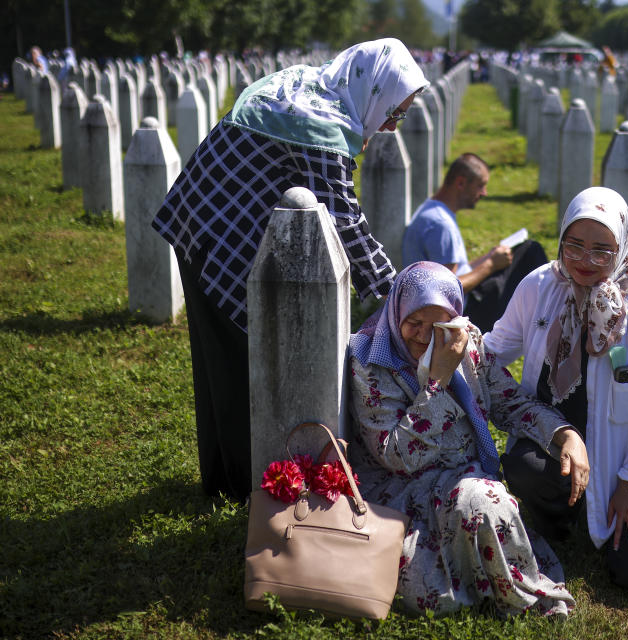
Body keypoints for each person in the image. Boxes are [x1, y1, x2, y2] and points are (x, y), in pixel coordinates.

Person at [152, 38, 428, 501]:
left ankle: (225, 478)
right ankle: (240, 485)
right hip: (214, 230)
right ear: (375, 88)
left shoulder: (314, 87)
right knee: (237, 360)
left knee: (222, 355)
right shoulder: (320, 124)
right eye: (394, 113)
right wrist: (399, 291)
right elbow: (345, 221)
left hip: (208, 217)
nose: (393, 127)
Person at [347, 261, 588, 616]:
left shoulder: (465, 341)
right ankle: (498, 587)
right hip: (401, 490)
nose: (425, 337)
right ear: (396, 310)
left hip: (463, 476)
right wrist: (438, 381)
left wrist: (564, 433)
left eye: (438, 326)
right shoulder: (370, 359)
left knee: (482, 502)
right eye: (414, 323)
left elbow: (509, 401)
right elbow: (395, 455)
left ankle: (504, 583)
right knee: (473, 512)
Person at [484, 187, 628, 597]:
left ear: (623, 247)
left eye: (601, 251)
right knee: (524, 465)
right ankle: (561, 512)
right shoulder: (541, 285)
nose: (583, 262)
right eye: (573, 246)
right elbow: (493, 350)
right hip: (559, 436)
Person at [402, 153, 548, 333]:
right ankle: (552, 315)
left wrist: (489, 257)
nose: (484, 193)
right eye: (481, 185)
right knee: (530, 252)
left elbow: (453, 272)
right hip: (465, 313)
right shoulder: (441, 224)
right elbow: (446, 290)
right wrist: (490, 265)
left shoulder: (433, 210)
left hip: (463, 301)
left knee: (523, 250)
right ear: (461, 183)